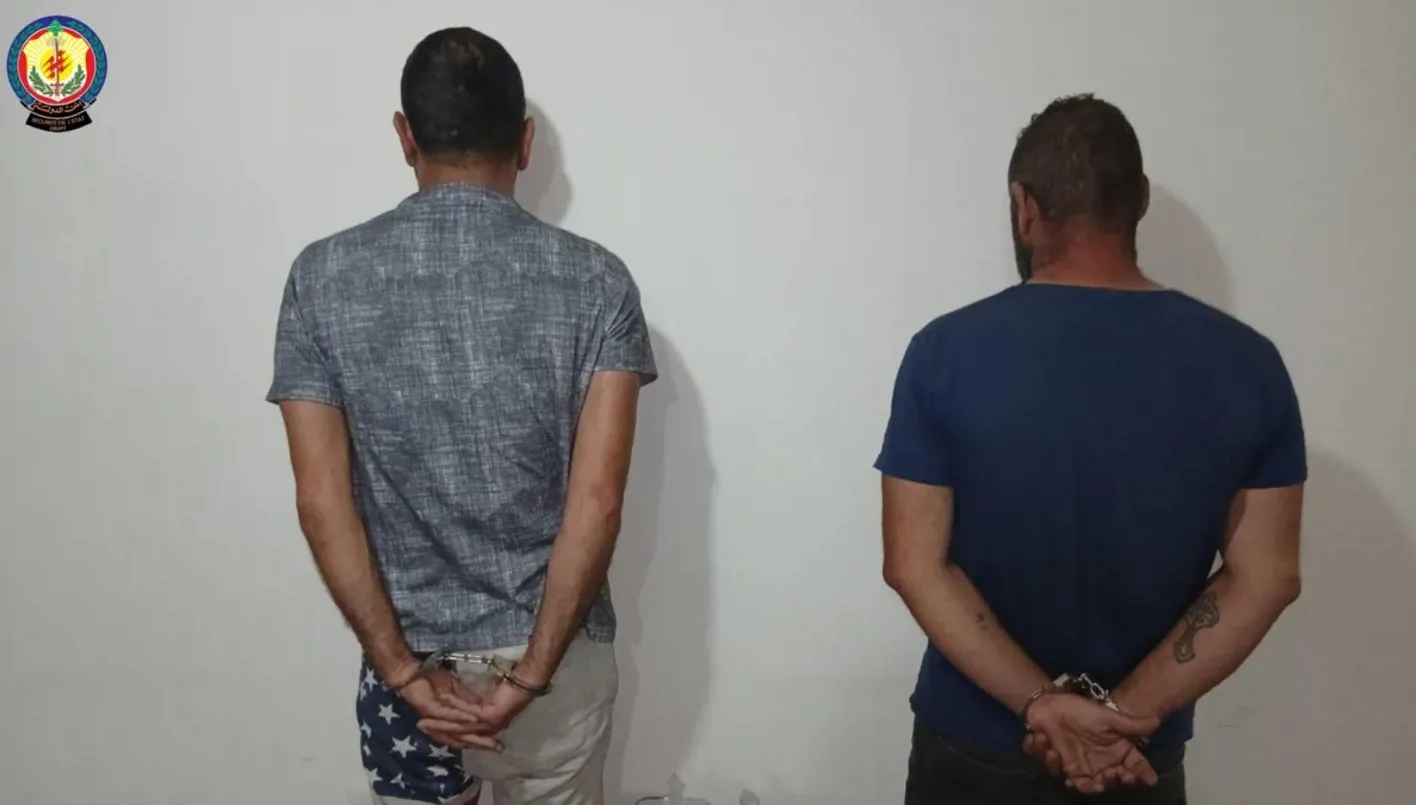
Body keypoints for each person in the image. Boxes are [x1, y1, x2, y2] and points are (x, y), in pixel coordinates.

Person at [876, 94, 1305, 804]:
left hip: (974, 746)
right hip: (1134, 753)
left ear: (1024, 208)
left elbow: (913, 563)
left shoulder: (943, 353)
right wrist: (1118, 718)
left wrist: (1043, 705)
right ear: (1139, 202)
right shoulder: (1249, 364)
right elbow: (1266, 577)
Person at [267, 27, 657, 805]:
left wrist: (403, 671)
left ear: (404, 136)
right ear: (524, 142)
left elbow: (321, 500)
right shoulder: (598, 282)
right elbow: (597, 501)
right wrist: (531, 674)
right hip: (555, 664)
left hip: (410, 672)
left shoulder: (321, 277)